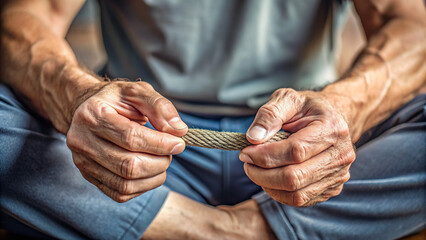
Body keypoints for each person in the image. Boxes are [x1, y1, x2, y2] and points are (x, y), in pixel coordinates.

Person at [0, 0, 425, 239]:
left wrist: (347, 106)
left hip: (300, 148)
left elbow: (411, 24)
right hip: (137, 145)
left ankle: (185, 229)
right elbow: (27, 15)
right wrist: (78, 95)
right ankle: (209, 229)